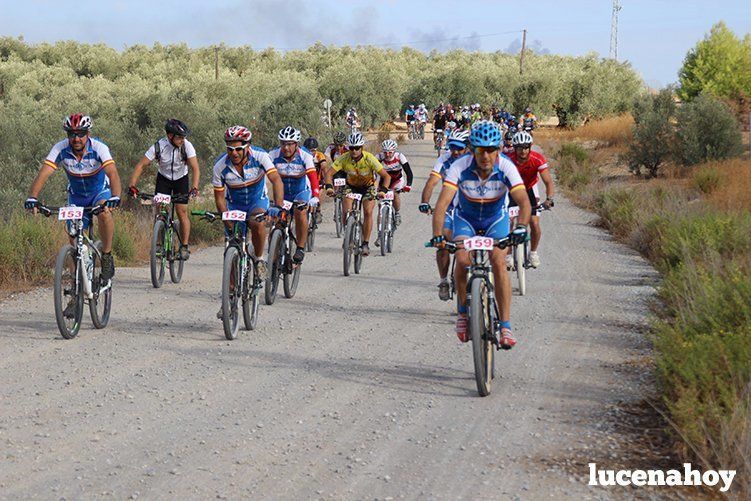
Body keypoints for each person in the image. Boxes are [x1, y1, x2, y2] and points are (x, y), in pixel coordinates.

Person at [430, 120, 531, 347]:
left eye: (491, 150)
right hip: (466, 219)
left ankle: (505, 325)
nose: (485, 156)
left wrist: (522, 227)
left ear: (499, 150)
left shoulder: (506, 166)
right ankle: (463, 313)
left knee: (498, 261)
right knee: (463, 259)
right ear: (472, 149)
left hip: (496, 220)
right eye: (479, 150)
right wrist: (438, 236)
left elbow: (524, 201)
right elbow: (442, 204)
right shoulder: (460, 167)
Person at [25, 113, 122, 283]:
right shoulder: (60, 148)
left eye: (80, 134)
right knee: (73, 238)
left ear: (88, 134)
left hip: (99, 191)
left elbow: (113, 173)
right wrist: (32, 197)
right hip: (76, 196)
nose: (76, 138)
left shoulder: (99, 148)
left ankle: (106, 255)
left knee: (104, 213)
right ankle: (76, 289)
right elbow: (44, 173)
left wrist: (115, 196)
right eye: (72, 134)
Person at [212, 126, 284, 319]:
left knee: (258, 222)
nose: (233, 153)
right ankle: (228, 300)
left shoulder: (260, 156)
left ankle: (259, 259)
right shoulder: (220, 166)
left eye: (238, 148)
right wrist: (224, 216)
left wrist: (278, 206)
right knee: (231, 249)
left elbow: (276, 180)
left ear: (247, 146)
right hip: (234, 204)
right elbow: (219, 198)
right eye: (229, 149)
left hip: (256, 201)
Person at [128, 118, 200, 260]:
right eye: (179, 137)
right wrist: (132, 186)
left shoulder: (187, 146)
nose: (182, 140)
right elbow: (141, 165)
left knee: (181, 211)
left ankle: (184, 246)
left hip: (181, 179)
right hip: (164, 179)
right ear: (170, 136)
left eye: (183, 137)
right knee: (160, 210)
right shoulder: (158, 146)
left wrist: (195, 187)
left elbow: (195, 168)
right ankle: (159, 243)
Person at [419, 129, 470, 300]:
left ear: (467, 147)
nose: (455, 152)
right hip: (449, 209)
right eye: (452, 147)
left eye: (459, 148)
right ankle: (443, 280)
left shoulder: (474, 160)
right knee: (442, 243)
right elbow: (432, 182)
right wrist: (425, 201)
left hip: (471, 210)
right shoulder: (444, 159)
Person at [323, 132, 391, 257]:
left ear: (362, 147)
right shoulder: (344, 158)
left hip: (367, 187)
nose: (354, 151)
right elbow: (328, 174)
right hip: (351, 187)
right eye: (351, 148)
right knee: (345, 209)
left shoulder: (369, 158)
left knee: (368, 211)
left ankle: (365, 243)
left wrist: (383, 191)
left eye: (357, 148)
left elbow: (386, 176)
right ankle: (348, 235)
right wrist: (329, 187)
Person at [268, 126, 320, 264]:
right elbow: (262, 176)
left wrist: (316, 195)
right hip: (282, 193)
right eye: (283, 143)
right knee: (276, 219)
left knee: (300, 212)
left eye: (290, 144)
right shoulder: (273, 155)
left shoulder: (305, 155)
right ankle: (272, 253)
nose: (286, 147)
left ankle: (300, 248)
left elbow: (313, 177)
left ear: (296, 144)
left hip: (300, 191)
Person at [506, 131, 555, 268]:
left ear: (530, 147)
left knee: (534, 222)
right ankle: (508, 255)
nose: (523, 151)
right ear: (514, 148)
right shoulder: (507, 159)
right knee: (508, 222)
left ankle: (533, 253)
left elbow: (548, 182)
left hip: (530, 189)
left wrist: (549, 199)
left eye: (526, 147)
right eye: (520, 147)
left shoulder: (537, 159)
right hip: (512, 190)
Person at [375, 139, 413, 226]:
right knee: (380, 205)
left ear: (394, 151)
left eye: (390, 152)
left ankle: (397, 213)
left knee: (395, 194)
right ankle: (380, 232)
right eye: (385, 152)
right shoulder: (379, 157)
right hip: (384, 180)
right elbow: (371, 171)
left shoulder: (399, 156)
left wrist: (408, 185)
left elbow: (408, 172)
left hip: (397, 180)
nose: (387, 155)